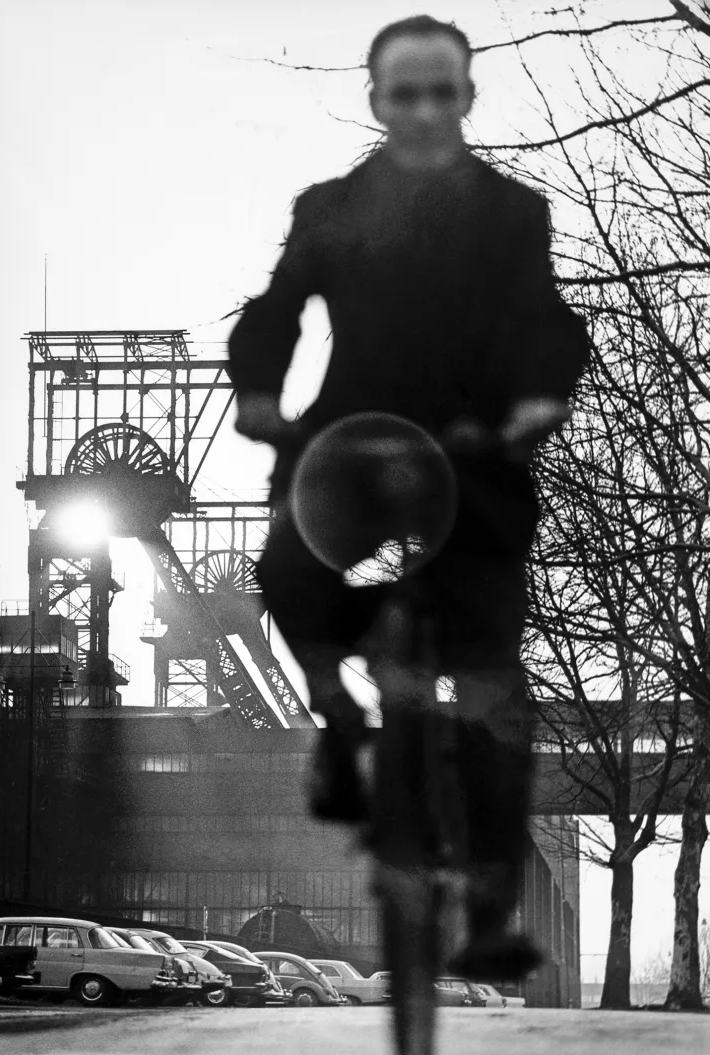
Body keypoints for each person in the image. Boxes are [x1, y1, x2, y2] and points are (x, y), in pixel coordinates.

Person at [227, 15, 590, 980]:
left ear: (467, 97)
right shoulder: (329, 208)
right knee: (289, 572)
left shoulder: (515, 213)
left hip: (472, 458)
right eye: (405, 93)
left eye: (443, 92)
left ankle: (487, 902)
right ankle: (337, 721)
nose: (425, 110)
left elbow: (544, 318)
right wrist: (261, 394)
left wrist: (539, 398)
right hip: (351, 447)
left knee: (495, 685)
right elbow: (272, 312)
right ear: (377, 99)